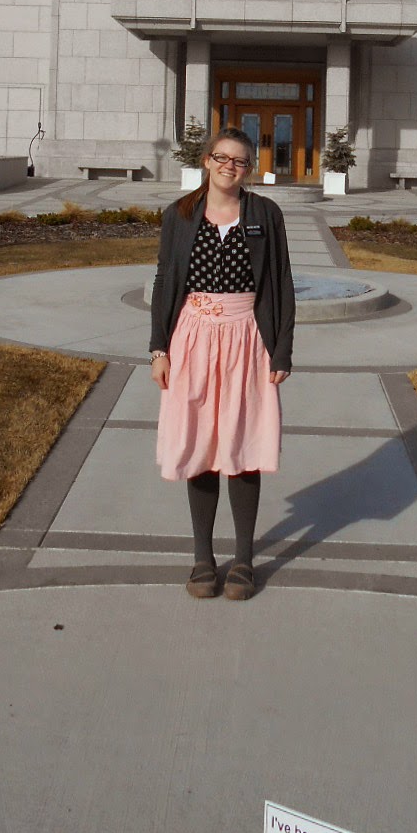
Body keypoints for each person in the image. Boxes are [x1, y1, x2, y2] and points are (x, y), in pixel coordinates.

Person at [150, 127, 295, 601]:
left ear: (249, 168)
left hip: (247, 339)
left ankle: (245, 560)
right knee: (201, 446)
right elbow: (165, 280)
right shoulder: (179, 214)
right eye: (222, 157)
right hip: (192, 337)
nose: (230, 167)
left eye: (240, 160)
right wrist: (158, 348)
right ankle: (203, 559)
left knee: (242, 446)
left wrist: (282, 349)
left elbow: (280, 281)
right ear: (207, 160)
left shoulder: (265, 214)